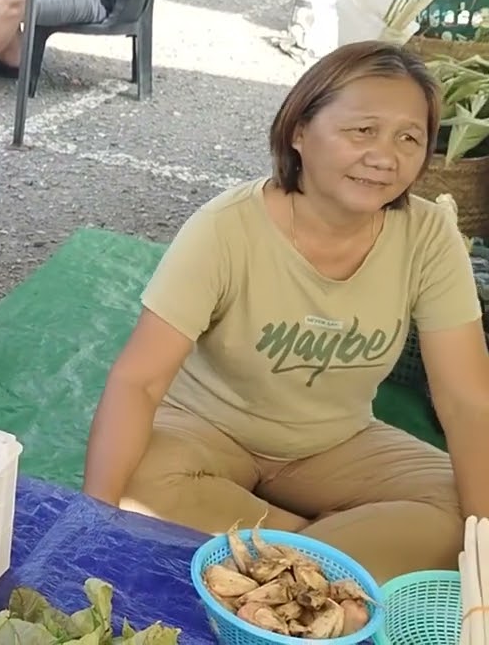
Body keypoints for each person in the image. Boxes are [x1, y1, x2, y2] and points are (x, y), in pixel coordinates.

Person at [81, 40, 489, 584]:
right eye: (362, 131)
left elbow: (467, 400)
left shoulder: (427, 234)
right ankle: (326, 556)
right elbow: (140, 381)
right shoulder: (226, 227)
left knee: (466, 508)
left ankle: (271, 560)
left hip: (335, 442)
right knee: (138, 485)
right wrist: (92, 520)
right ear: (299, 130)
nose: (385, 156)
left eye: (408, 137)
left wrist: (482, 544)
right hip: (207, 433)